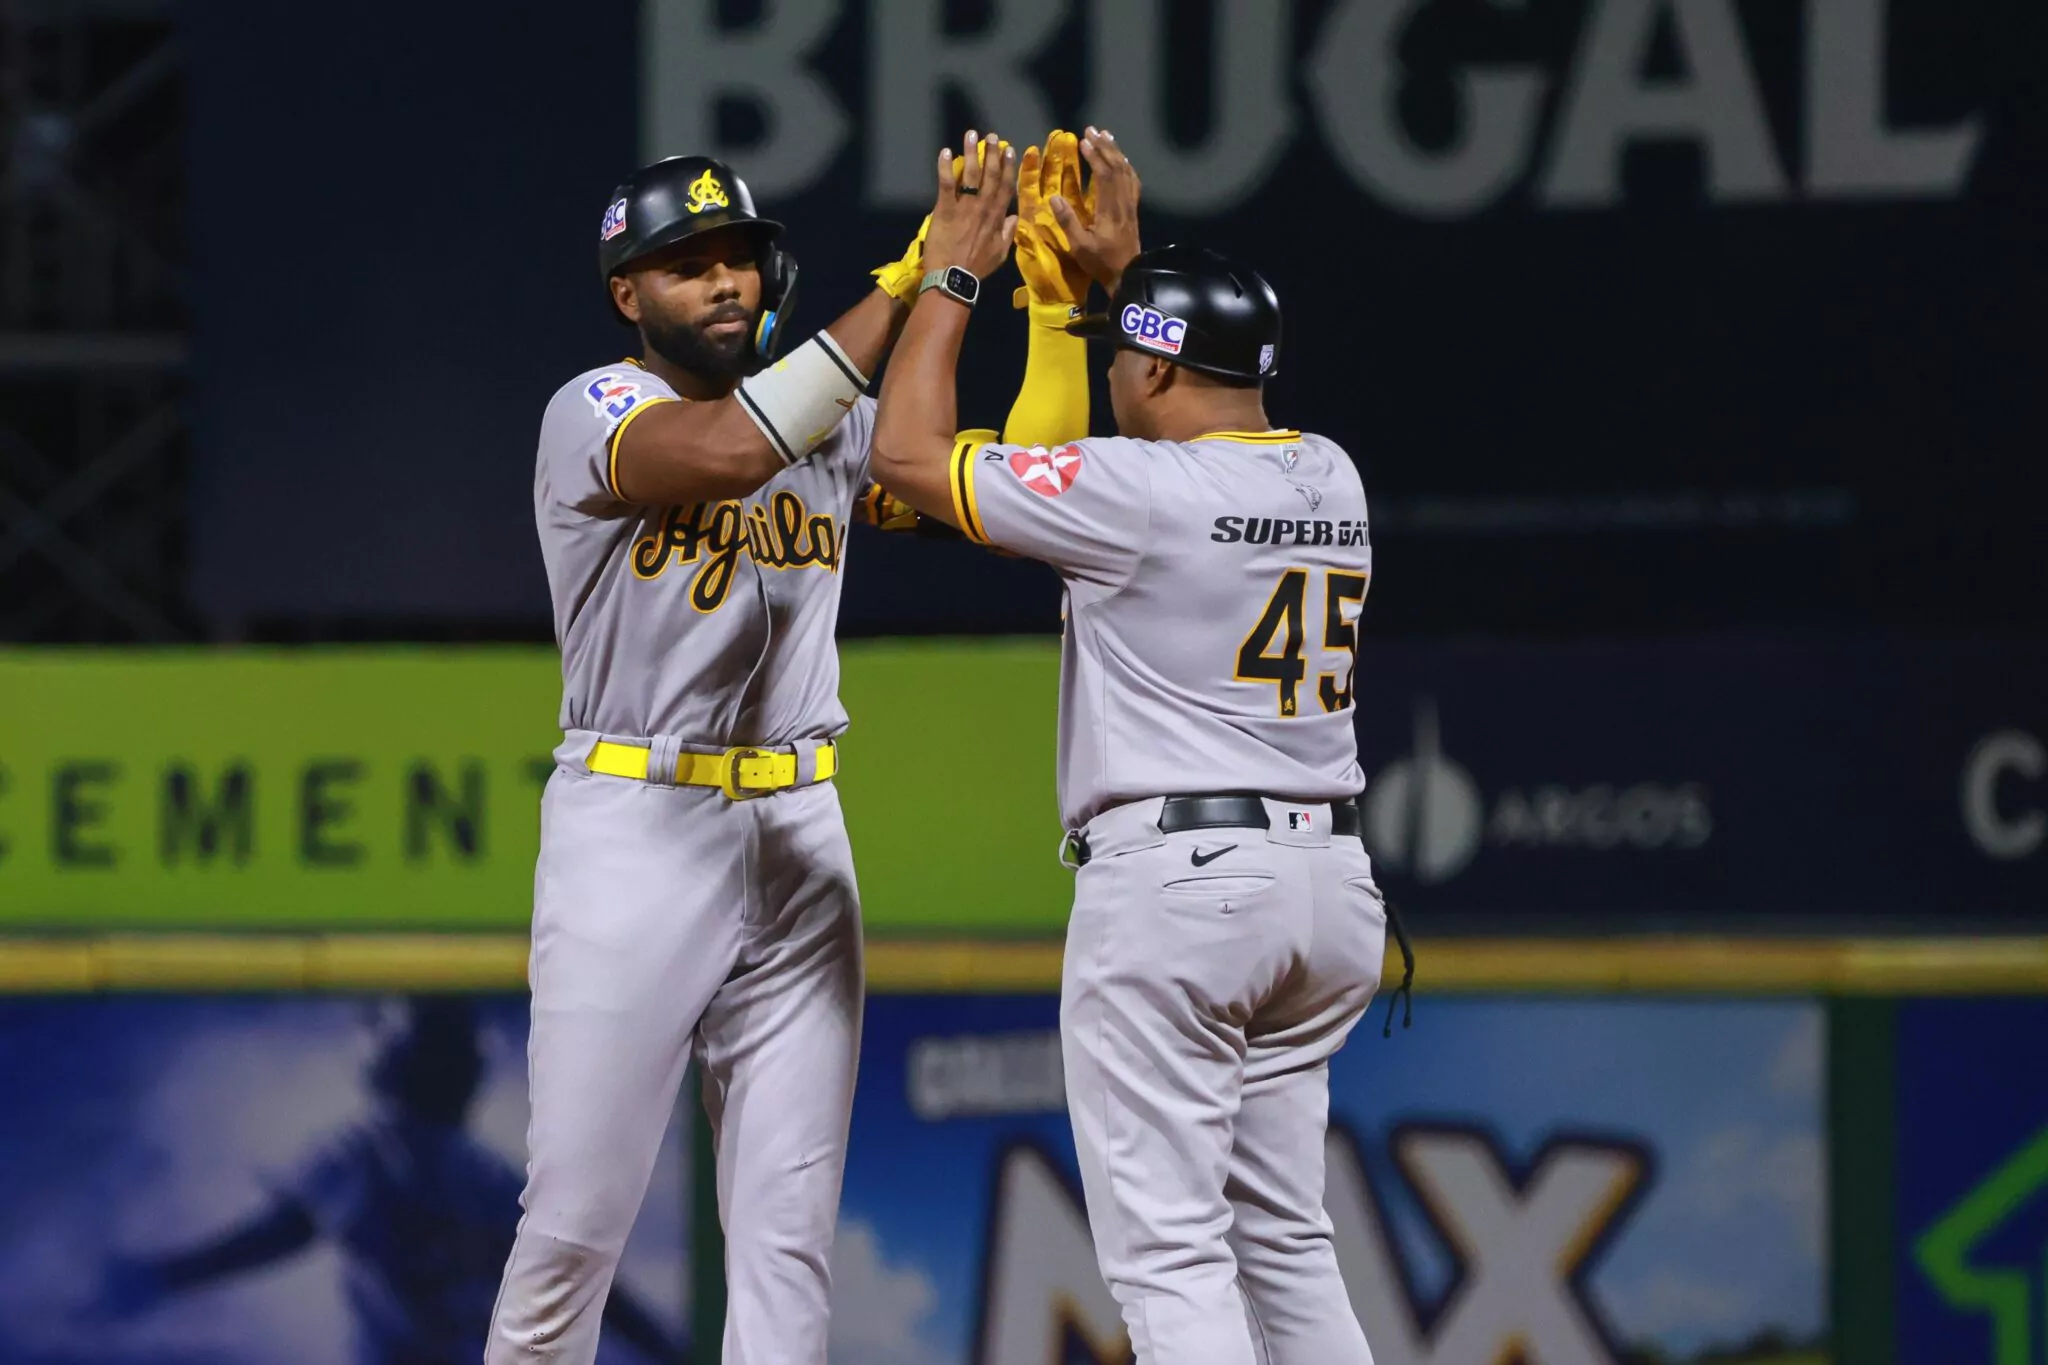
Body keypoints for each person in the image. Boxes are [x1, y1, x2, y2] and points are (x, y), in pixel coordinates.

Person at [496, 132, 1091, 1365]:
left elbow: (1008, 498)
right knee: (574, 1225)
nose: (724, 282)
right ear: (628, 296)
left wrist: (1041, 314)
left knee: (786, 1241)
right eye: (687, 265)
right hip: (636, 827)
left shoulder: (827, 418)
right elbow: (731, 450)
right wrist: (911, 281)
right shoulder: (595, 410)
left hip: (801, 828)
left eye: (737, 258)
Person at [869, 129, 1414, 1365]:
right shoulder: (1329, 474)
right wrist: (1117, 286)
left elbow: (905, 458)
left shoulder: (1138, 494)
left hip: (1184, 891)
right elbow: (1185, 389)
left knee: (1168, 1252)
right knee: (1284, 1240)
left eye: (1124, 354)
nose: (1114, 369)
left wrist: (954, 273)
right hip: (1327, 892)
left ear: (1157, 368)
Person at [96, 999, 682, 1365]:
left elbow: (278, 1235)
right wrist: (670, 1347)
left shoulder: (365, 1153)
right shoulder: (492, 1177)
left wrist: (166, 1275)